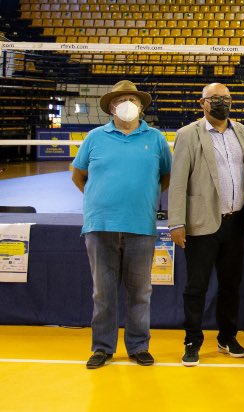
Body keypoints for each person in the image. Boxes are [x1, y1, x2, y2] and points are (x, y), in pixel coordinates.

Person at [71, 80, 172, 369]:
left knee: (140, 292)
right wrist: (97, 199)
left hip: (141, 225)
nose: (127, 104)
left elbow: (166, 176)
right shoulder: (94, 137)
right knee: (103, 293)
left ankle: (138, 346)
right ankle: (102, 348)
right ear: (112, 106)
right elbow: (78, 176)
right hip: (100, 225)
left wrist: (145, 197)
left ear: (141, 106)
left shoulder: (155, 139)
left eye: (133, 99)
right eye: (121, 99)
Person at [168, 83, 244, 367]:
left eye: (226, 98)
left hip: (236, 221)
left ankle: (227, 337)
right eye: (215, 98)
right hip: (200, 222)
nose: (221, 102)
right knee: (197, 286)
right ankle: (192, 341)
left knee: (231, 284)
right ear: (202, 103)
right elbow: (178, 182)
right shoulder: (187, 134)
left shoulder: (242, 132)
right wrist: (176, 222)